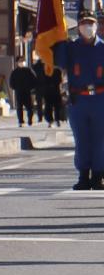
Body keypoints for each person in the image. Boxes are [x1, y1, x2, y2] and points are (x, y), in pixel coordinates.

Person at [54, 14, 104, 189]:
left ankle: (98, 176)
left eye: (90, 23)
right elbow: (59, 63)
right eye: (84, 23)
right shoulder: (70, 48)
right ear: (78, 27)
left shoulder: (103, 48)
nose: (87, 27)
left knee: (100, 139)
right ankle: (83, 176)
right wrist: (58, 40)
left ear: (96, 25)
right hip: (78, 99)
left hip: (100, 99)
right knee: (81, 139)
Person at [10, 57, 37, 127]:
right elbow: (11, 83)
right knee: (19, 107)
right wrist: (15, 88)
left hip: (27, 91)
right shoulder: (15, 72)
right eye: (20, 61)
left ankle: (30, 120)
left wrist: (31, 88)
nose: (22, 62)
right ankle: (20, 121)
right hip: (19, 92)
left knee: (30, 108)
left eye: (23, 61)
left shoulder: (28, 70)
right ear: (17, 62)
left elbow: (34, 79)